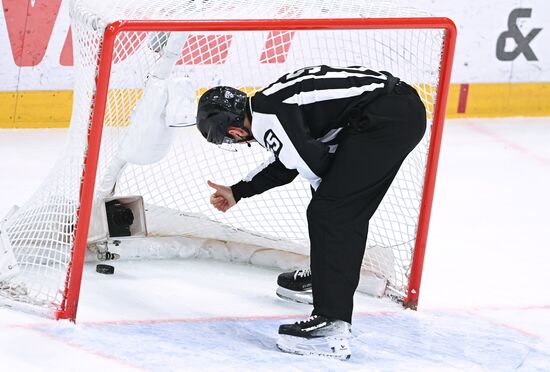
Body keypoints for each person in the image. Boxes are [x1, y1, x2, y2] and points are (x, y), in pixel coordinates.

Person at [195, 65, 426, 360]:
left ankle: (332, 320)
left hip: (386, 118)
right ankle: (328, 277)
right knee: (332, 204)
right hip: (391, 111)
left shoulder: (268, 118)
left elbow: (310, 166)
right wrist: (239, 190)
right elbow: (289, 160)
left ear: (234, 131)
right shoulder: (269, 104)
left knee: (331, 211)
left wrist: (335, 198)